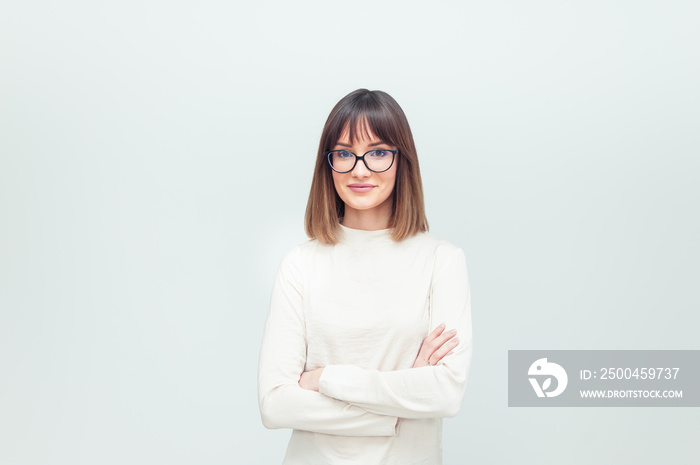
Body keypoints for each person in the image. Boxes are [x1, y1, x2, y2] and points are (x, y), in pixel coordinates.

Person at [257, 89, 473, 465]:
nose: (359, 169)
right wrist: (401, 403)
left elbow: (446, 393)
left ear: (401, 161)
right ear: (328, 164)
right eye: (343, 153)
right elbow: (275, 404)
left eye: (377, 152)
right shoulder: (300, 264)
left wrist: (327, 379)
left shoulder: (442, 260)